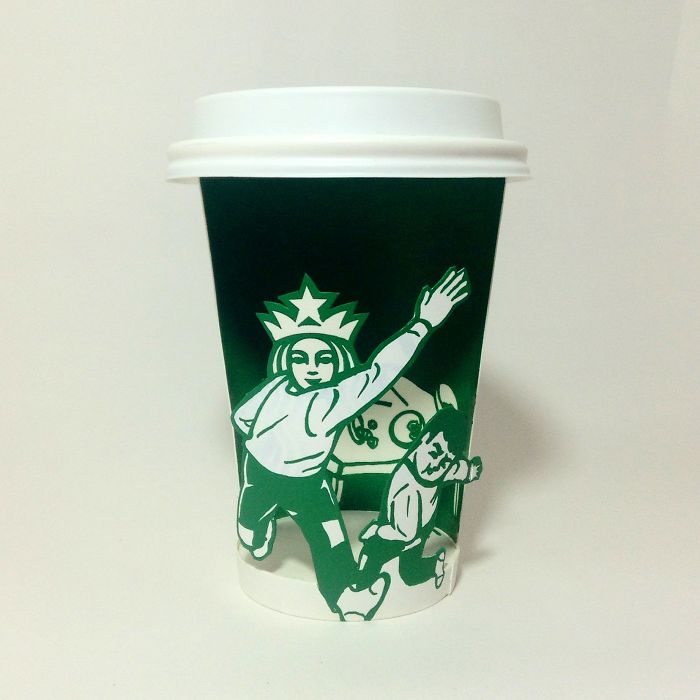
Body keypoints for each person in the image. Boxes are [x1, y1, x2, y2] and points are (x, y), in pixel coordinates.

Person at [232, 267, 470, 620]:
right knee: (251, 525)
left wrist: (422, 324)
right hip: (260, 475)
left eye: (324, 359)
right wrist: (268, 443)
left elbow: (380, 371)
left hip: (308, 484)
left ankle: (347, 598)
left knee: (332, 540)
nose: (312, 367)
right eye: (300, 358)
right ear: (286, 359)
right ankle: (254, 532)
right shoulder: (275, 386)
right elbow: (242, 418)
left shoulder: (334, 399)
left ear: (338, 362)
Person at [350, 407, 482, 599]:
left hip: (417, 533)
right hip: (396, 533)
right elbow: (403, 530)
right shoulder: (404, 482)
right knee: (372, 553)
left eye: (445, 461)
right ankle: (361, 586)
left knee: (409, 573)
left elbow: (456, 469)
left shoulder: (441, 469)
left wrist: (471, 471)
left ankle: (434, 565)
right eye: (434, 453)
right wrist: (378, 532)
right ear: (424, 440)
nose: (436, 465)